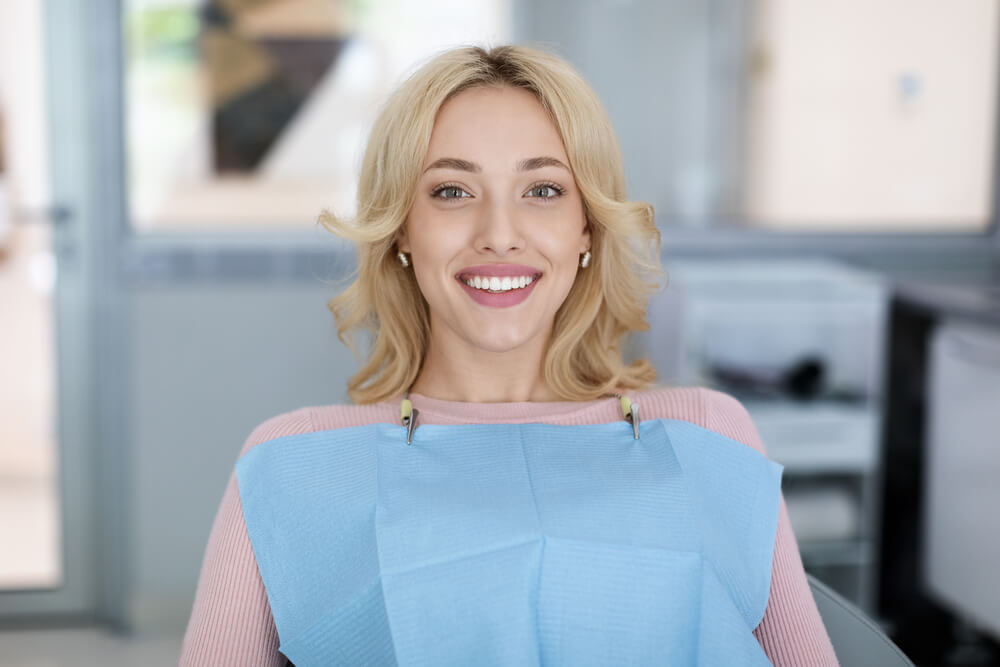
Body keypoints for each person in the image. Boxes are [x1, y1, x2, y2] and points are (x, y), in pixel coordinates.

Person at [179, 44, 839, 666]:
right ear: (403, 228)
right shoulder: (291, 465)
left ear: (587, 227)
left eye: (543, 190)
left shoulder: (707, 436)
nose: (499, 234)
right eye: (453, 191)